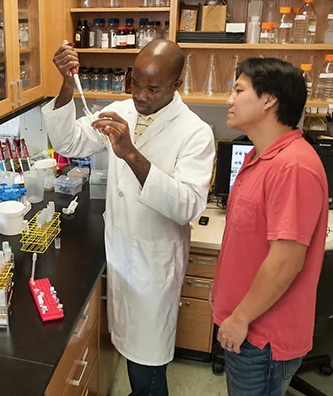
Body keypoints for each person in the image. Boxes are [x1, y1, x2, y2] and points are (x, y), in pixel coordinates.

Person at [43, 40, 215, 395]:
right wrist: (64, 84)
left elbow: (188, 206)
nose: (140, 95)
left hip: (154, 267)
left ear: (176, 84)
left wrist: (131, 154)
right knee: (131, 354)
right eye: (135, 82)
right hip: (121, 255)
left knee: (147, 370)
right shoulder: (122, 111)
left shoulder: (195, 133)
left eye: (153, 88)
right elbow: (69, 143)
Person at [211, 58, 329, 396]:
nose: (229, 100)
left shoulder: (293, 167)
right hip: (246, 322)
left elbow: (285, 262)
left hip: (262, 336)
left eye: (238, 90)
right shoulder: (259, 156)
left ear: (269, 100)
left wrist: (239, 318)